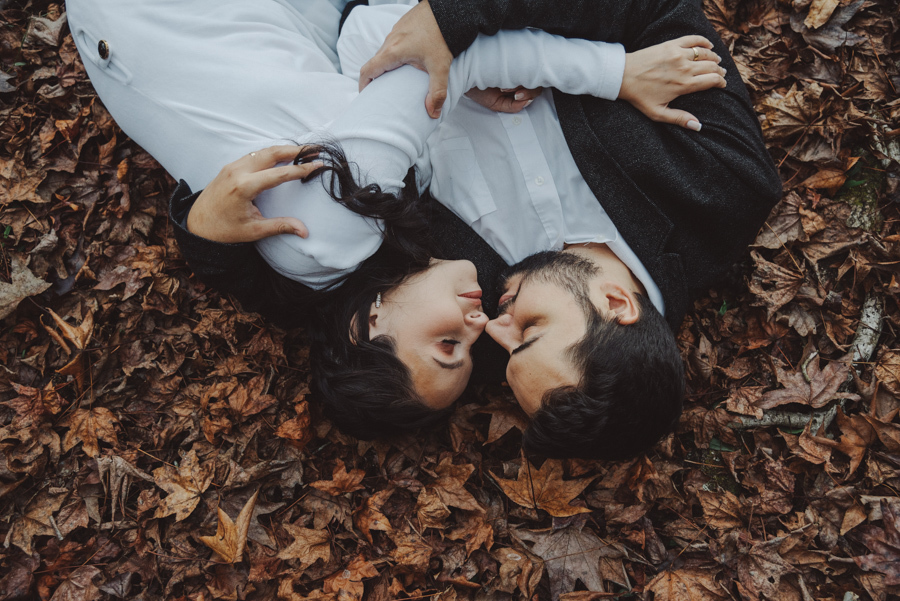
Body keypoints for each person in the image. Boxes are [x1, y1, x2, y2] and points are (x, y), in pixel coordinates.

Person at [66, 0, 721, 435]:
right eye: (512, 333)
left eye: (454, 345)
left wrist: (202, 228)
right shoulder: (711, 197)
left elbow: (427, 58)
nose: (487, 323)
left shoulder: (337, 243)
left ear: (368, 322)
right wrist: (618, 72)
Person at [355, 0, 783, 458]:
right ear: (616, 304)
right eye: (531, 330)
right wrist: (453, 18)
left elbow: (329, 278)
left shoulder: (462, 330)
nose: (495, 329)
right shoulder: (724, 186)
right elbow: (654, 9)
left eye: (509, 350)